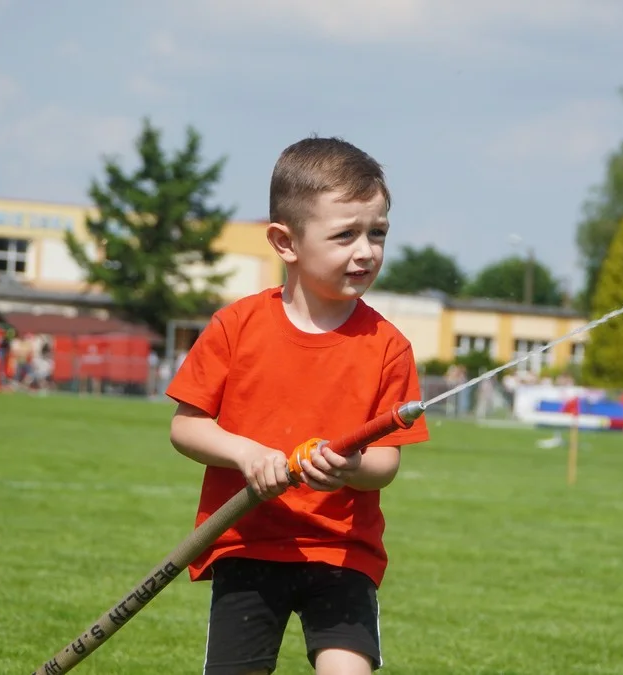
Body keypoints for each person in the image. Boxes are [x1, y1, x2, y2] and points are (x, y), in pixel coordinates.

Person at [166, 136, 431, 675]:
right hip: (247, 543)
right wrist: (248, 455)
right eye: (345, 235)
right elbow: (186, 428)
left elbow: (385, 465)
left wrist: (350, 468)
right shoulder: (235, 327)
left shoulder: (390, 347)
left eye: (377, 233)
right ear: (285, 243)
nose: (366, 251)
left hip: (341, 554)